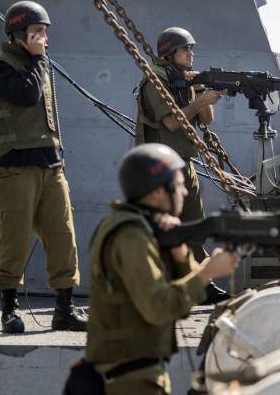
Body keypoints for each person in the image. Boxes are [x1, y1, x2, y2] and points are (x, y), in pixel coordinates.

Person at [85, 143, 241, 394]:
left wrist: (179, 252)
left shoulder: (138, 227)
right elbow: (159, 307)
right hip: (130, 379)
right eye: (179, 186)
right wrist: (208, 272)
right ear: (158, 192)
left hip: (136, 372)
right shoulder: (132, 236)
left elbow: (184, 298)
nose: (185, 193)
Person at [0, 1, 86, 333]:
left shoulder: (41, 66)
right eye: (36, 32)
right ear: (18, 34)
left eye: (44, 33)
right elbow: (24, 96)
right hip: (15, 168)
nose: (43, 39)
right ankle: (9, 310)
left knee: (62, 236)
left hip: (50, 165)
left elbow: (48, 118)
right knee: (14, 237)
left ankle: (64, 309)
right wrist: (39, 59)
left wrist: (60, 156)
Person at [135, 27, 227, 302]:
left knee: (194, 225)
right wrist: (200, 99)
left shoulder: (183, 79)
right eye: (186, 49)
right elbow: (172, 122)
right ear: (170, 52)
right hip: (160, 167)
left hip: (182, 162)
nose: (191, 54)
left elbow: (206, 120)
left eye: (192, 48)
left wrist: (200, 88)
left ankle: (201, 285)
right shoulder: (156, 80)